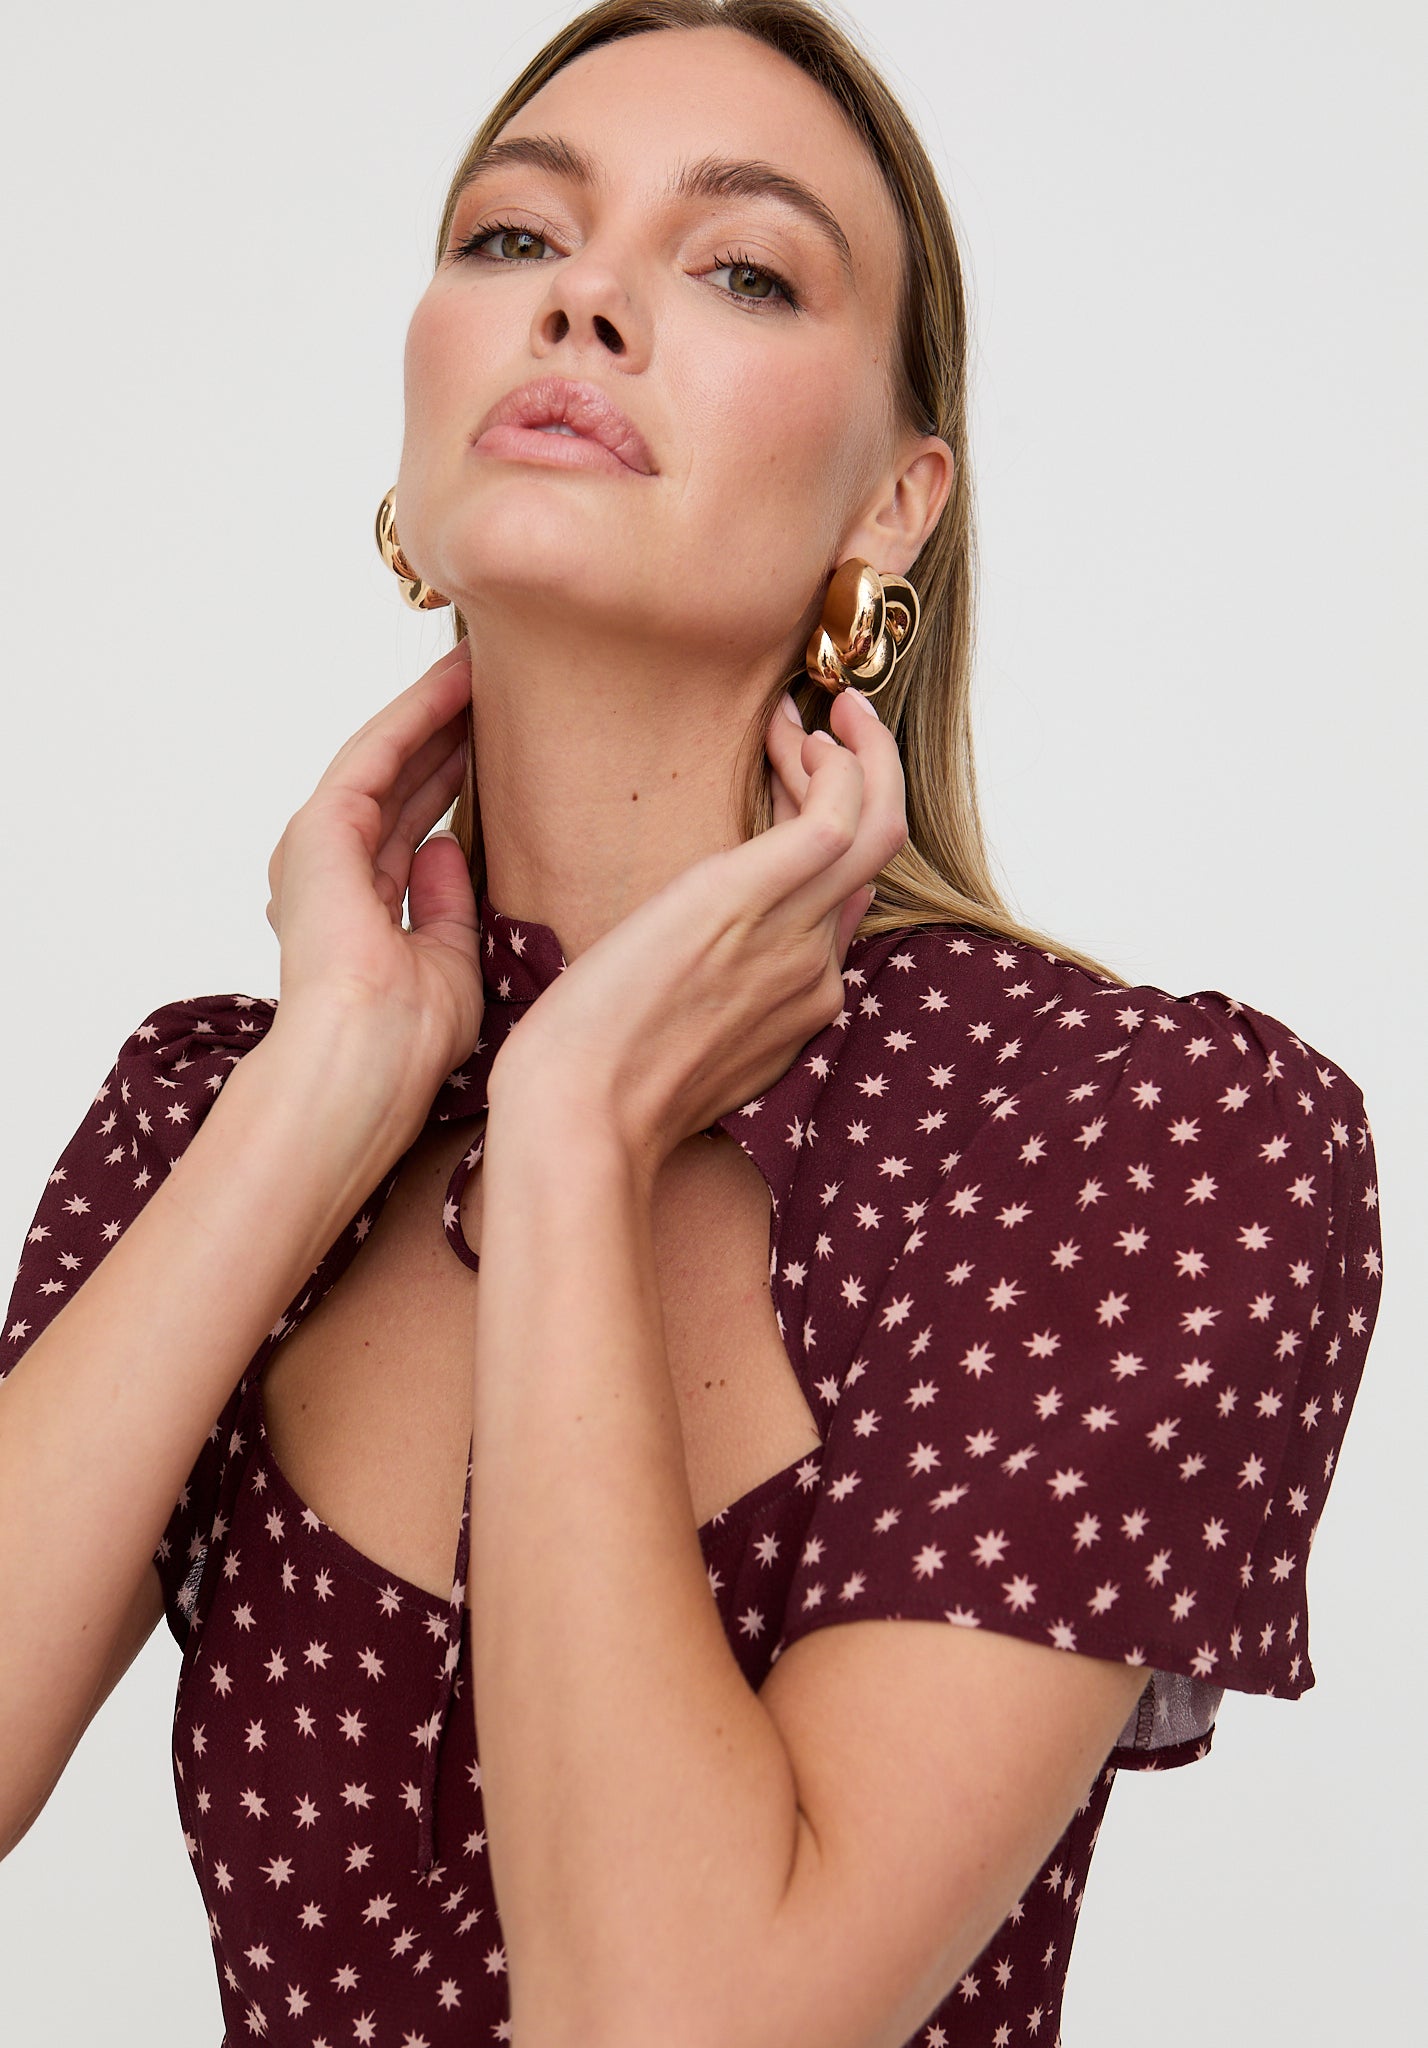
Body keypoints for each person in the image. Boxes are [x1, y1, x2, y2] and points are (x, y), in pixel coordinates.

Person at [0, 2, 1385, 2043]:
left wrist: (570, 1124)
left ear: (890, 506)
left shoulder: (1141, 1131)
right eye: (507, 241)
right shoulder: (222, 1106)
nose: (582, 302)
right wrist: (318, 1095)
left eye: (740, 267)